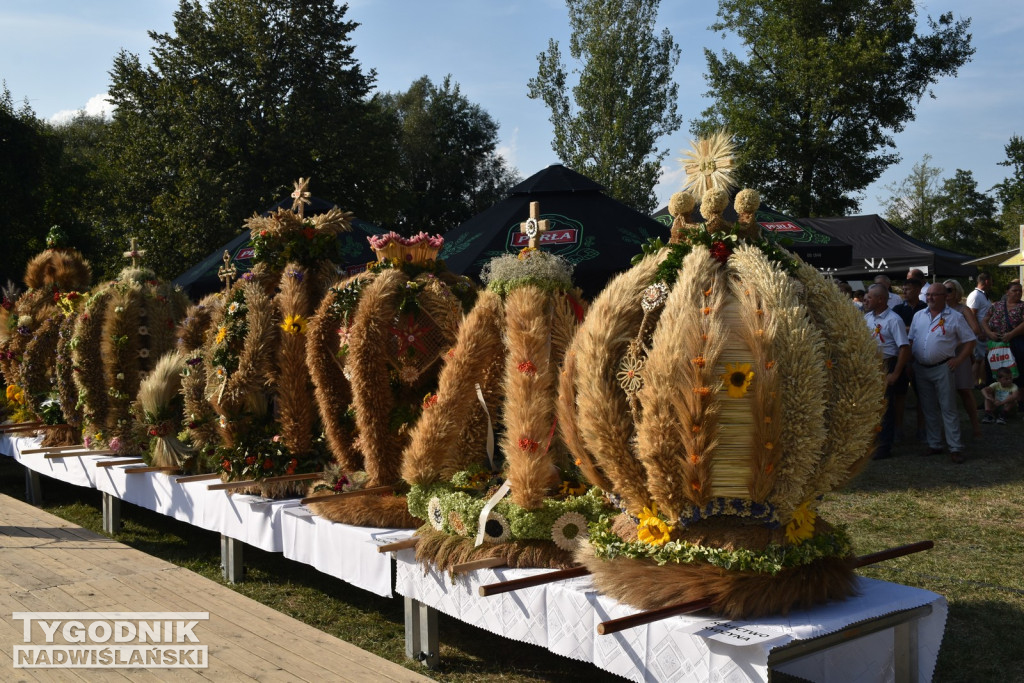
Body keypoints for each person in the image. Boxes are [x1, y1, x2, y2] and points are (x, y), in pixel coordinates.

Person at [908, 283, 976, 463]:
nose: (930, 298)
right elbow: (911, 339)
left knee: (948, 407)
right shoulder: (918, 316)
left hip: (943, 367)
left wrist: (959, 360)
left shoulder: (955, 317)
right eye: (928, 295)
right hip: (921, 368)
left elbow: (970, 340)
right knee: (928, 407)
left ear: (944, 297)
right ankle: (934, 443)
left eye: (934, 295)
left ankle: (955, 447)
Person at [864, 284, 910, 459]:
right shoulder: (867, 318)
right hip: (871, 365)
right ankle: (871, 441)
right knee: (871, 405)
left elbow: (904, 348)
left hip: (887, 364)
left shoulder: (893, 319)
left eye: (870, 297)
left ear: (881, 299)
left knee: (885, 406)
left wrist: (895, 374)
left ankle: (884, 446)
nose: (866, 300)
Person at [943, 279, 982, 437]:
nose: (946, 293)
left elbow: (975, 329)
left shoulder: (962, 309)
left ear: (957, 292)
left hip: (961, 353)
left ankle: (975, 424)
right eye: (944, 290)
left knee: (964, 390)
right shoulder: (938, 310)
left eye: (950, 290)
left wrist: (958, 342)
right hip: (943, 355)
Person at [980, 281, 1024, 408]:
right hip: (996, 343)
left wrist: (1011, 334)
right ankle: (990, 400)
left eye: (1020, 291)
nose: (1018, 293)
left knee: (1018, 370)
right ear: (1007, 292)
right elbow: (984, 320)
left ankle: (1018, 400)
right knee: (993, 369)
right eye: (1014, 290)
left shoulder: (1022, 306)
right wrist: (989, 333)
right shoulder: (997, 305)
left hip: (1016, 342)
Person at [967, 272, 993, 387]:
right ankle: (973, 382)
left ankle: (981, 381)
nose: (992, 284)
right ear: (986, 281)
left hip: (985, 332)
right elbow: (972, 314)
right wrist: (979, 332)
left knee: (983, 358)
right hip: (979, 333)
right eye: (991, 281)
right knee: (978, 359)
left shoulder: (983, 295)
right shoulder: (975, 295)